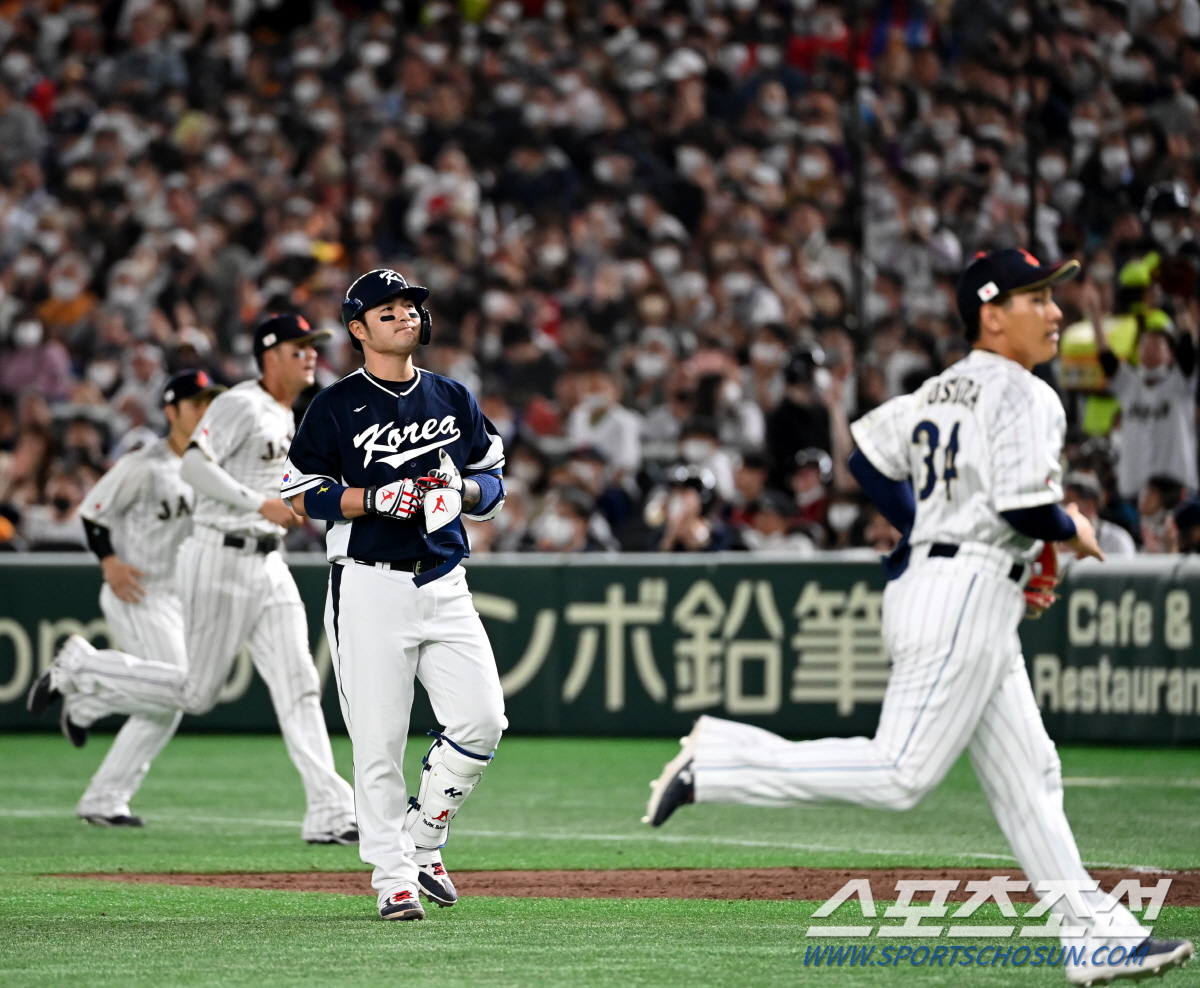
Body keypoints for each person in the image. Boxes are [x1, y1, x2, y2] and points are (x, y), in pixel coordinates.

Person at [641, 249, 1194, 985]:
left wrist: (922, 525)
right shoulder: (1027, 395)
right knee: (901, 774)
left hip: (952, 583)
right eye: (1038, 299)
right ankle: (719, 762)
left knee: (1031, 776)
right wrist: (1072, 526)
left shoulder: (939, 389)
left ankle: (1095, 936)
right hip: (964, 590)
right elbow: (1021, 507)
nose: (1057, 312)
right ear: (993, 316)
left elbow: (868, 457)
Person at [28, 314, 357, 846]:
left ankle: (330, 811)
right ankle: (84, 667)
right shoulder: (241, 403)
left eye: (313, 347)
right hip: (220, 555)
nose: (311, 355)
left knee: (299, 685)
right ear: (270, 356)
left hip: (268, 562)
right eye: (299, 348)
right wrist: (260, 503)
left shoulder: (282, 411)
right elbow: (195, 469)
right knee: (196, 693)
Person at [281, 269, 508, 921]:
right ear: (357, 329)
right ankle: (392, 874)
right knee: (379, 742)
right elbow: (301, 492)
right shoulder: (335, 404)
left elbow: (491, 478)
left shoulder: (450, 395)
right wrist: (369, 498)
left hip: (444, 578)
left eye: (409, 305)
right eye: (388, 310)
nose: (405, 314)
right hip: (368, 582)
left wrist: (461, 493)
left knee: (483, 719)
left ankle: (426, 833)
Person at [67, 370, 223, 825]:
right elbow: (93, 513)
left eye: (209, 403)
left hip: (178, 597)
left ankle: (88, 699)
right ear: (171, 410)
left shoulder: (211, 465)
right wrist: (109, 562)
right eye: (196, 403)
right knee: (177, 692)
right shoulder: (145, 463)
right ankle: (82, 674)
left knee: (168, 701)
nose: (204, 411)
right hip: (137, 589)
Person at [1063, 471, 1136, 558]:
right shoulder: (1055, 540)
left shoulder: (1117, 540)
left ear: (1091, 504)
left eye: (1068, 501)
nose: (1062, 508)